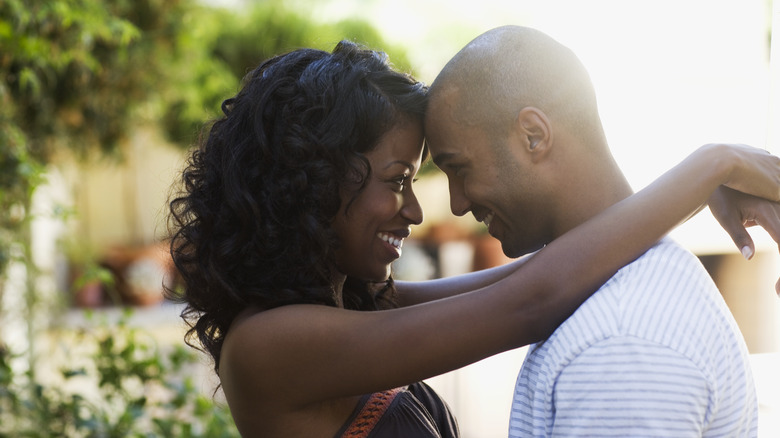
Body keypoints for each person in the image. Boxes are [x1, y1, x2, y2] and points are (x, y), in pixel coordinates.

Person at [168, 40, 780, 437]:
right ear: (313, 181)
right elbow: (532, 300)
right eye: (398, 181)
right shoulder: (271, 346)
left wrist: (687, 196)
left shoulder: (351, 305)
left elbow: (533, 276)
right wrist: (711, 166)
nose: (418, 209)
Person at [424, 25, 779, 437]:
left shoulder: (620, 343)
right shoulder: (617, 302)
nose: (457, 204)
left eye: (459, 169)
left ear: (533, 136)